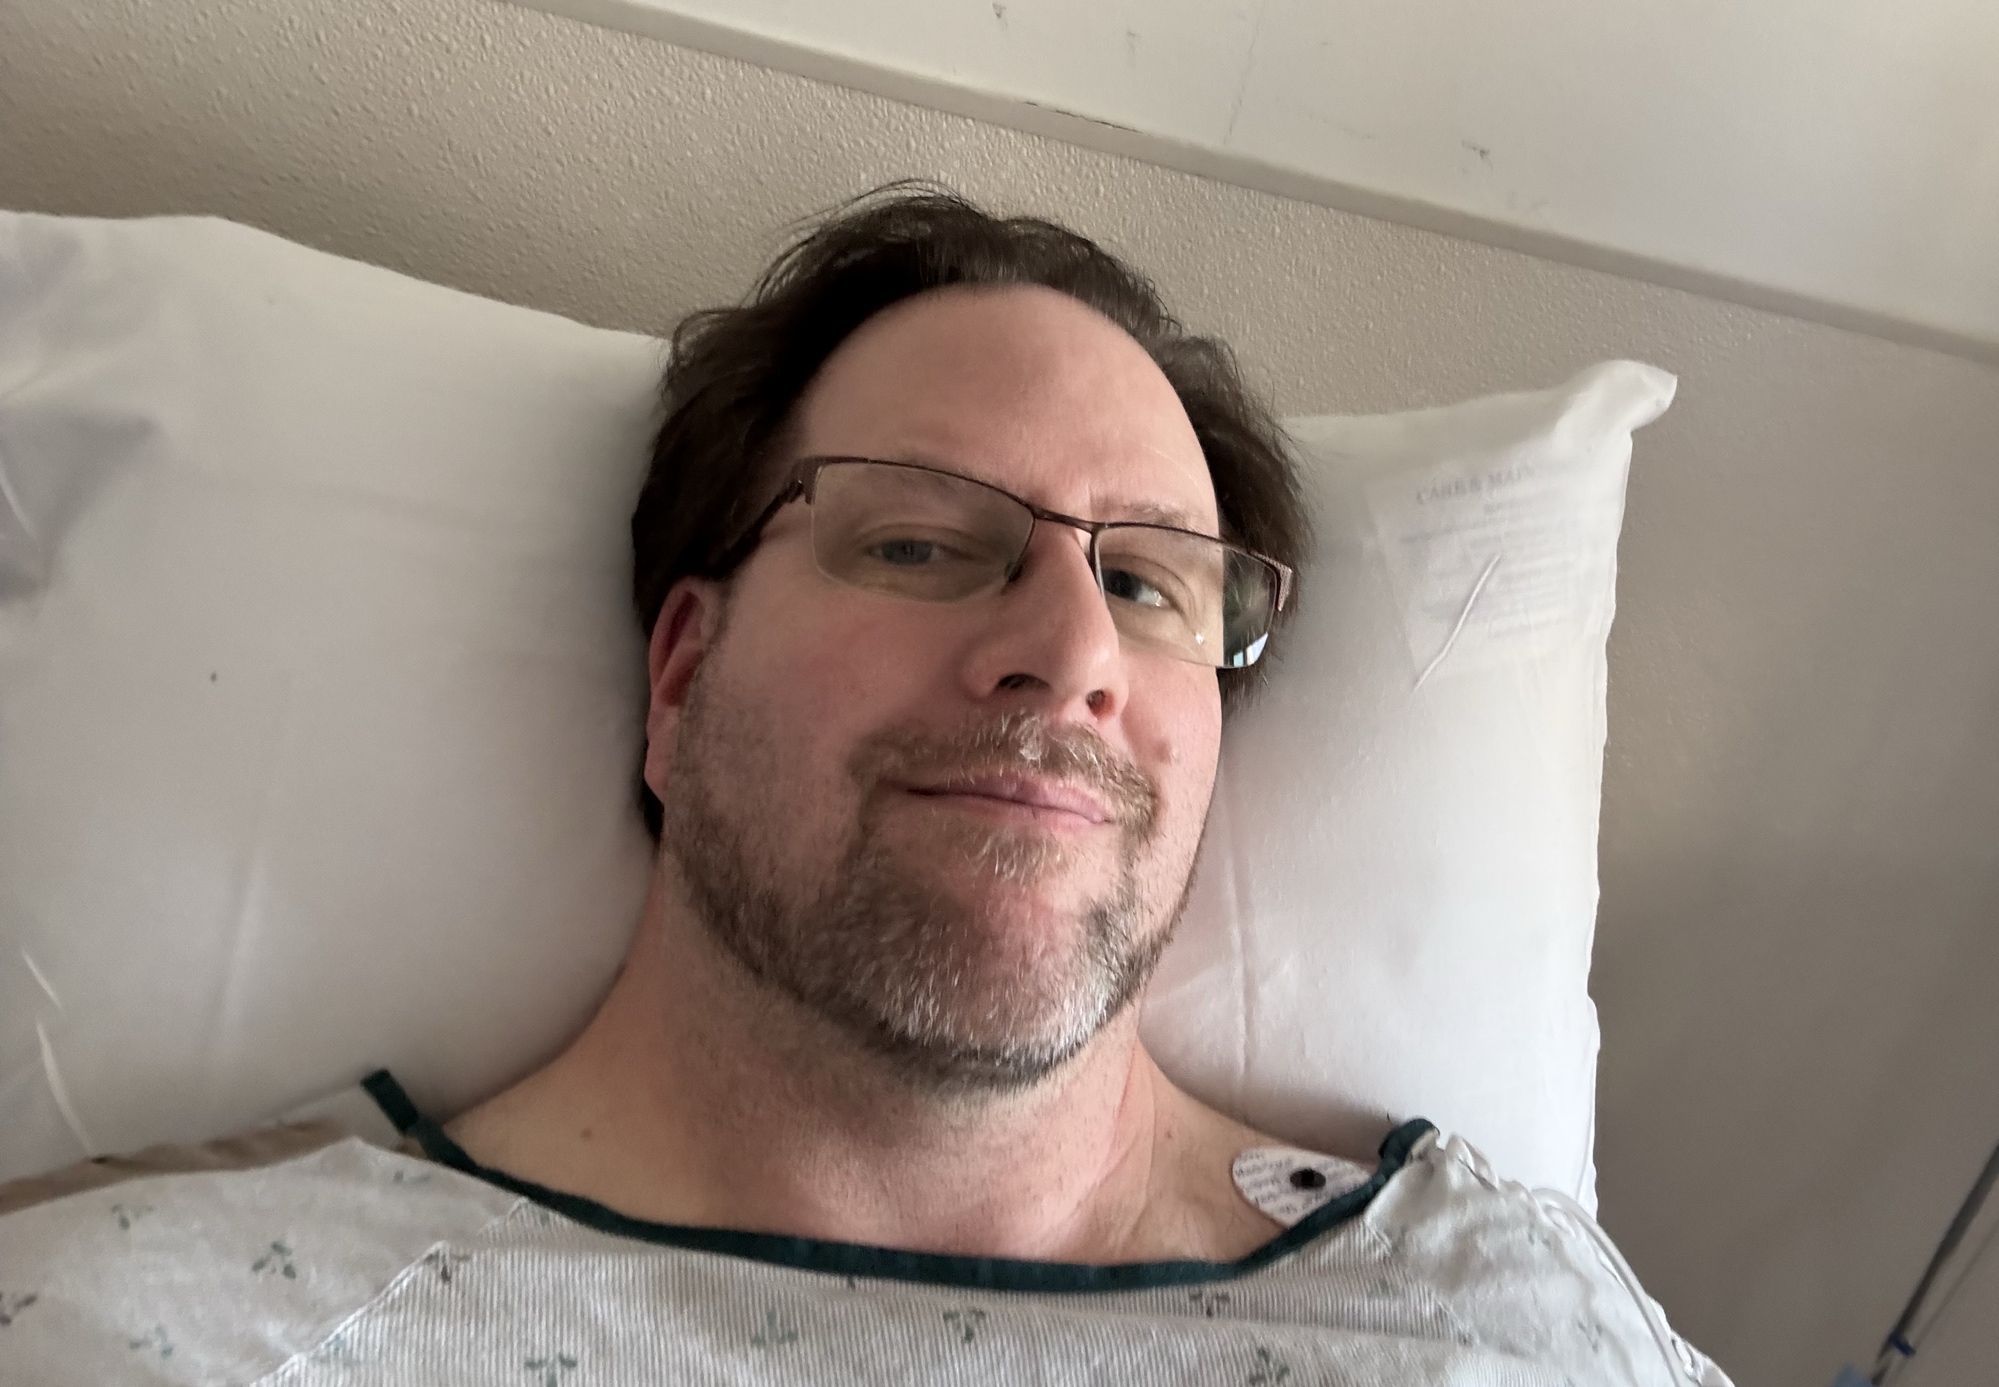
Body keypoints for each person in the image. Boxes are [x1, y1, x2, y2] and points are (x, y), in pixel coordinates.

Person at [0, 186, 1730, 1385]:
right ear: (682, 677)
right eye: (917, 542)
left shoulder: (1506, 1319)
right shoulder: (157, 1333)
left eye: (1150, 585)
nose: (1071, 651)